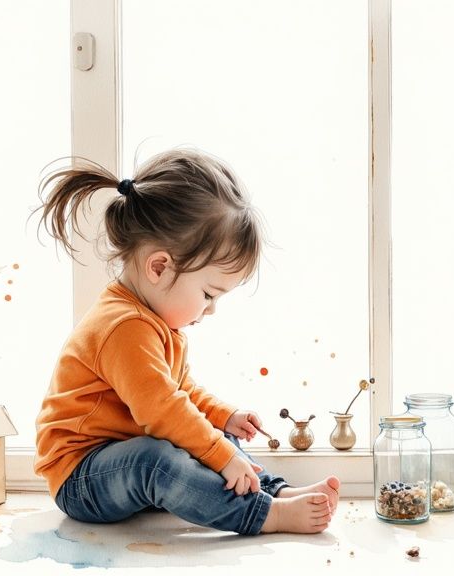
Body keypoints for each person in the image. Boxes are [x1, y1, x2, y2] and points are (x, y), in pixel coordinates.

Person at [32, 148, 340, 535]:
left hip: (122, 459)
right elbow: (162, 409)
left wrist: (224, 417)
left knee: (213, 435)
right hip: (82, 478)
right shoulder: (124, 327)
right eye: (209, 294)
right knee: (159, 458)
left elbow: (181, 391)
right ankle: (264, 515)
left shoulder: (155, 322)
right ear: (159, 267)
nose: (210, 310)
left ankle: (271, 491)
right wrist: (220, 452)